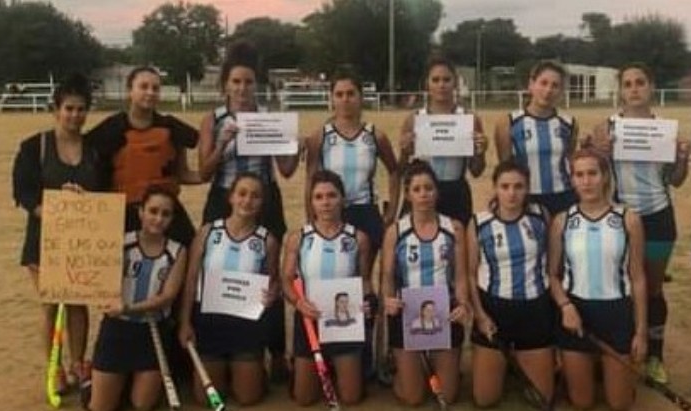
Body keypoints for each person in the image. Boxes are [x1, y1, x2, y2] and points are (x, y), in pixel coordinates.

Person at [197, 41, 299, 382]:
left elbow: (286, 169)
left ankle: (274, 351)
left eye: (249, 82)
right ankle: (220, 343)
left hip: (264, 198)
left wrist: (290, 144)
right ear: (225, 83)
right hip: (224, 196)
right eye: (236, 81)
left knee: (268, 277)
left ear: (258, 85)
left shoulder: (269, 118)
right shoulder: (212, 119)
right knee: (218, 274)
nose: (242, 88)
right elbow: (204, 172)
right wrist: (223, 143)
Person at [587, 63, 691, 385]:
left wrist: (682, 160)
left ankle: (655, 356)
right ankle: (618, 349)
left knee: (654, 288)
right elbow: (589, 171)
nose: (634, 89)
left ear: (651, 86)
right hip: (617, 217)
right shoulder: (607, 127)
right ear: (620, 90)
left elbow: (675, 180)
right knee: (621, 286)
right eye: (628, 83)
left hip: (658, 215)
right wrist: (593, 150)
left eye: (640, 82)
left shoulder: (666, 130)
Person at [12, 74, 103, 394]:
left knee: (78, 302)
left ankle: (79, 364)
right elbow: (23, 192)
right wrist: (54, 207)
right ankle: (55, 368)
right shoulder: (33, 147)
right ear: (56, 109)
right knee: (51, 303)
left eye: (81, 109)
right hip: (44, 241)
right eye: (69, 108)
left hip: (82, 241)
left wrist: (84, 201)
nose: (75, 115)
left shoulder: (94, 150)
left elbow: (105, 192)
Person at [547, 149, 647, 411]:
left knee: (620, 405)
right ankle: (576, 366)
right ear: (572, 180)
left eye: (592, 173)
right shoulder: (563, 220)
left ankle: (615, 372)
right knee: (582, 403)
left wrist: (641, 331)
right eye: (579, 175)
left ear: (605, 177)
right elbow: (552, 276)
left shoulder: (628, 219)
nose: (586, 181)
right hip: (576, 312)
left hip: (615, 312)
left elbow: (637, 278)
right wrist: (566, 307)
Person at [83, 187, 187, 411]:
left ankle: (133, 380)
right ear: (140, 212)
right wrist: (77, 199)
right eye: (153, 211)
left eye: (166, 214)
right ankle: (95, 380)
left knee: (143, 405)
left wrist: (129, 307)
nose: (158, 219)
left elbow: (167, 296)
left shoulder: (177, 251)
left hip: (152, 331)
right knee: (100, 410)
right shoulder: (120, 243)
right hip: (117, 328)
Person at [179, 172, 279, 406]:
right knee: (206, 401)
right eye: (242, 194)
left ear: (262, 202)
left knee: (247, 398)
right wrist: (185, 322)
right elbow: (192, 279)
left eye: (255, 196)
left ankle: (253, 369)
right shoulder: (208, 232)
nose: (247, 201)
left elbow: (272, 281)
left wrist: (271, 294)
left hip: (245, 325)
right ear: (231, 197)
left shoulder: (268, 240)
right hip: (209, 320)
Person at [381, 160, 471, 406]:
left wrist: (462, 304)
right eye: (417, 189)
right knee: (414, 397)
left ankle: (436, 365)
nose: (423, 195)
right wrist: (388, 300)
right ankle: (403, 368)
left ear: (437, 192)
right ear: (408, 194)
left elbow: (461, 276)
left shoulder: (454, 228)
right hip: (408, 313)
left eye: (429, 188)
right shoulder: (396, 231)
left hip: (444, 313)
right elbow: (388, 276)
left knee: (447, 396)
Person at [282, 170, 373, 406]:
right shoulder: (298, 238)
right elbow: (286, 280)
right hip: (310, 322)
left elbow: (365, 280)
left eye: (331, 195)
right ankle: (308, 367)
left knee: (351, 398)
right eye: (319, 197)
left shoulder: (358, 238)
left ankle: (341, 365)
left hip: (345, 325)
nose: (325, 202)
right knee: (304, 398)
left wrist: (368, 301)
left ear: (342, 199)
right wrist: (299, 302)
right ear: (311, 202)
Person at [469, 160, 554, 407]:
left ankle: (527, 360)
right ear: (495, 188)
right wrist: (480, 316)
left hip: (534, 310)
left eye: (519, 186)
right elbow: (471, 275)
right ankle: (505, 364)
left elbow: (551, 263)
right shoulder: (479, 223)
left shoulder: (540, 216)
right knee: (485, 399)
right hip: (494, 310)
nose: (512, 193)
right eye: (505, 186)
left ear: (527, 188)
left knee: (542, 400)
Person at [86, 66, 199, 246]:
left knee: (193, 250)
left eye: (155, 88)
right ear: (130, 90)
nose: (150, 92)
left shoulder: (171, 128)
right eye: (143, 86)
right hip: (123, 213)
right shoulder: (110, 129)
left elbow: (183, 173)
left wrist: (216, 171)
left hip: (164, 212)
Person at [305, 66, 400, 258]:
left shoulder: (375, 136)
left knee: (363, 277)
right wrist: (310, 217)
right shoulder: (320, 136)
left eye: (350, 93)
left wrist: (390, 214)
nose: (345, 99)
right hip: (332, 212)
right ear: (332, 98)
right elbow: (310, 180)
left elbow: (395, 172)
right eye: (339, 94)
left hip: (366, 213)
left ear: (360, 97)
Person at [398, 55, 488, 225]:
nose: (441, 85)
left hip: (456, 192)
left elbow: (476, 171)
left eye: (446, 79)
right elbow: (401, 169)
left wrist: (481, 152)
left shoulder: (469, 119)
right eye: (436, 79)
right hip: (422, 192)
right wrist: (405, 151)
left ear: (455, 82)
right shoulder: (414, 119)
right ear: (427, 83)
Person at [494, 60, 578, 216]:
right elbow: (505, 168)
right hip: (526, 198)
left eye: (555, 85)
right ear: (531, 84)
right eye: (543, 83)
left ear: (561, 91)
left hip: (563, 197)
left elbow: (569, 159)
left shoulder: (569, 123)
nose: (548, 90)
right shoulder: (509, 123)